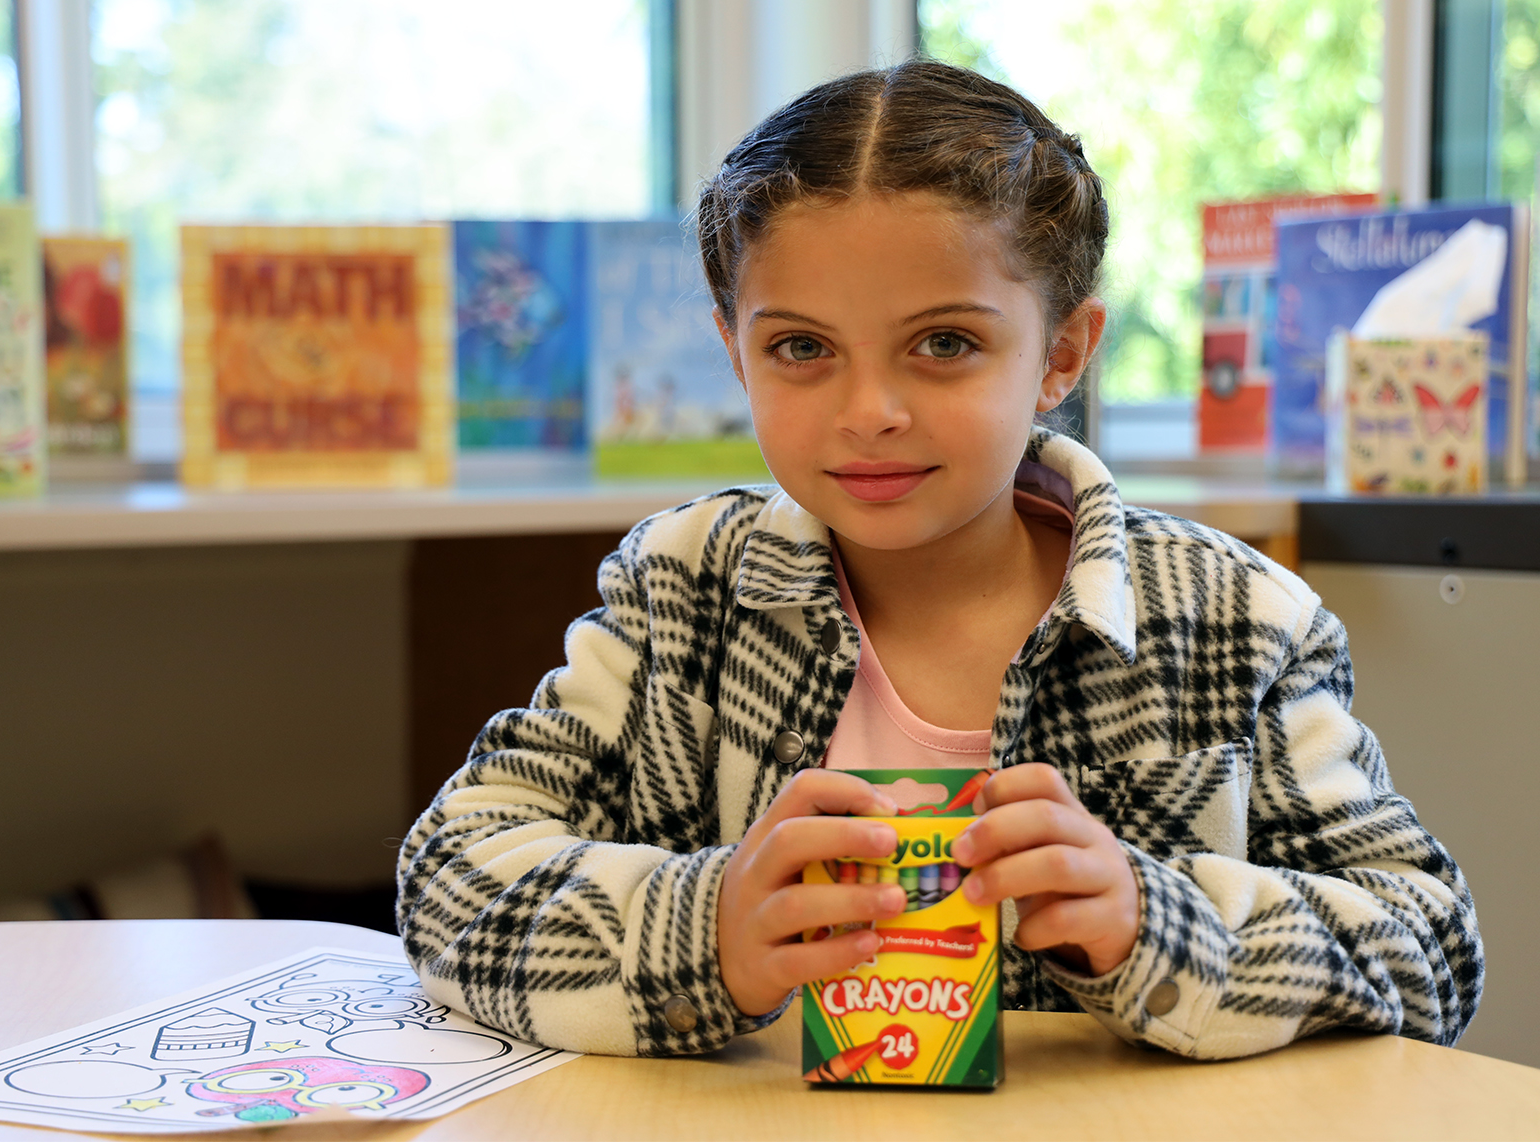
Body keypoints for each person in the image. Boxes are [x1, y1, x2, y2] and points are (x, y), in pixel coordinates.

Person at [396, 60, 1482, 1060]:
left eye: (945, 344)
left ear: (1060, 353)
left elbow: (1431, 950)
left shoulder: (1239, 618)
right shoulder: (684, 589)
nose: (869, 412)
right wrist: (706, 926)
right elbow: (448, 875)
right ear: (737, 352)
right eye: (801, 348)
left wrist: (1161, 924)